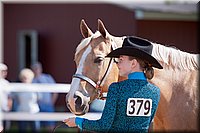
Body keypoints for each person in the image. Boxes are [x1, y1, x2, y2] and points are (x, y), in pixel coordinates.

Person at [63, 36, 163, 132]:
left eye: (121, 60)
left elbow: (103, 126)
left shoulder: (117, 88)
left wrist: (78, 121)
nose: (118, 64)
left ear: (133, 64)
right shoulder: (155, 92)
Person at [31, 62, 58, 131]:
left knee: (50, 125)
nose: (36, 70)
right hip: (36, 106)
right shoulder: (31, 80)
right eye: (34, 68)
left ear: (41, 69)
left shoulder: (47, 78)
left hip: (47, 105)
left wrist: (51, 102)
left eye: (38, 68)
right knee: (37, 126)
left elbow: (55, 92)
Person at [11, 68, 40, 132]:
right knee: (22, 130)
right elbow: (13, 97)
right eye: (24, 77)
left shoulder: (35, 87)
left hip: (33, 112)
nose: (25, 79)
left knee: (35, 130)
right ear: (21, 78)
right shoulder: (18, 88)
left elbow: (39, 98)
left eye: (27, 77)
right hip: (22, 112)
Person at [0, 63, 12, 132]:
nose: (4, 73)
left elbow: (9, 97)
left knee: (6, 126)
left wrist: (9, 106)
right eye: (2, 71)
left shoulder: (6, 83)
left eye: (5, 71)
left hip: (5, 107)